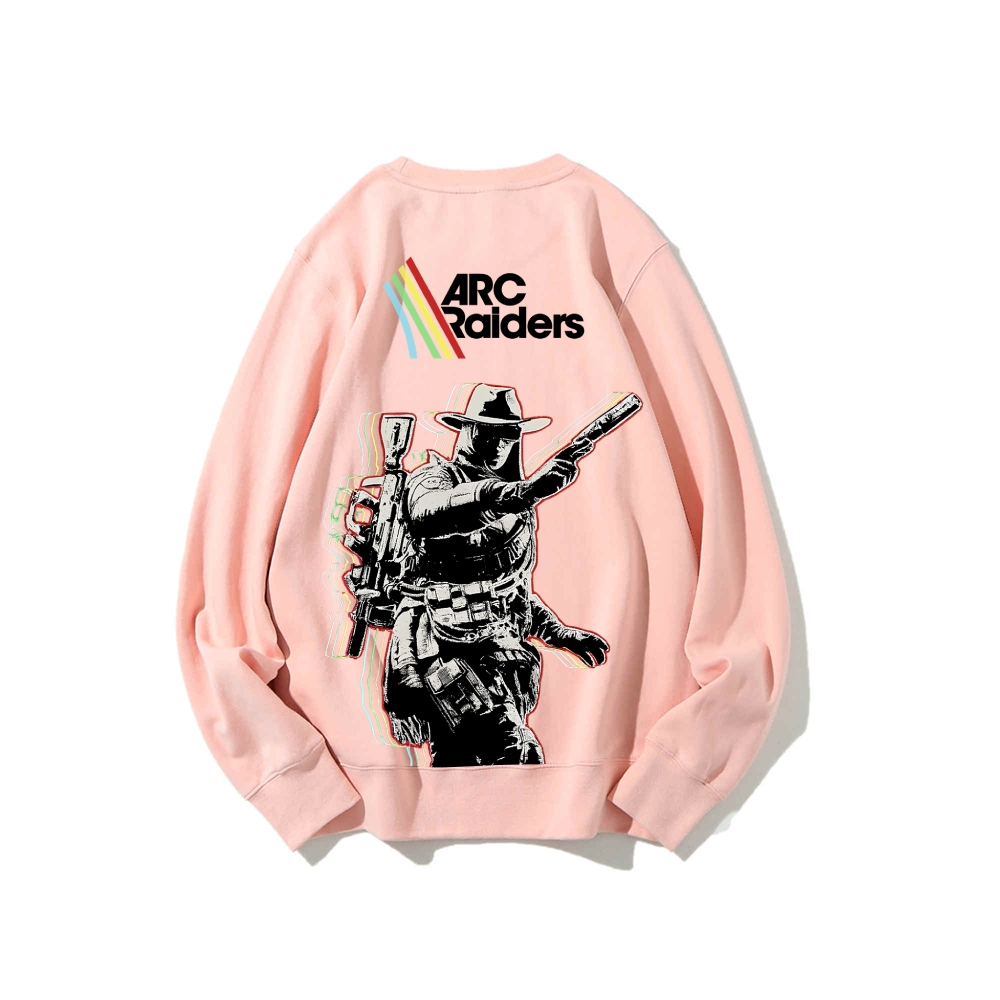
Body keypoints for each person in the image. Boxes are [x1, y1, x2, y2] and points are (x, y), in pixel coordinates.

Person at [383, 384, 609, 765]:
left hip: (500, 660)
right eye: (488, 431)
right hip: (445, 654)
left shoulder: (517, 509)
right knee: (517, 753)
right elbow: (428, 512)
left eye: (508, 433)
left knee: (461, 765)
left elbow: (507, 594)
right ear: (468, 430)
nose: (499, 442)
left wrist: (559, 633)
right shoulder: (435, 478)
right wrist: (521, 493)